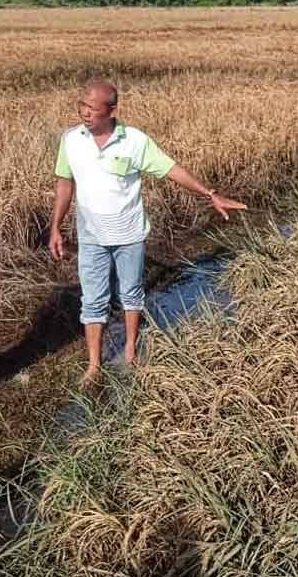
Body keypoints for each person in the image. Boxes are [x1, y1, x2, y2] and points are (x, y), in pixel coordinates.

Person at [50, 82, 247, 387]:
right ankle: (93, 364)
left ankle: (130, 350)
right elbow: (65, 184)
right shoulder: (71, 140)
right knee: (93, 300)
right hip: (90, 235)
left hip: (129, 233)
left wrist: (210, 193)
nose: (85, 112)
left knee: (131, 293)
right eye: (82, 105)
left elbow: (172, 169)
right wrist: (56, 227)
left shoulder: (135, 142)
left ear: (111, 110)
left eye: (93, 107)